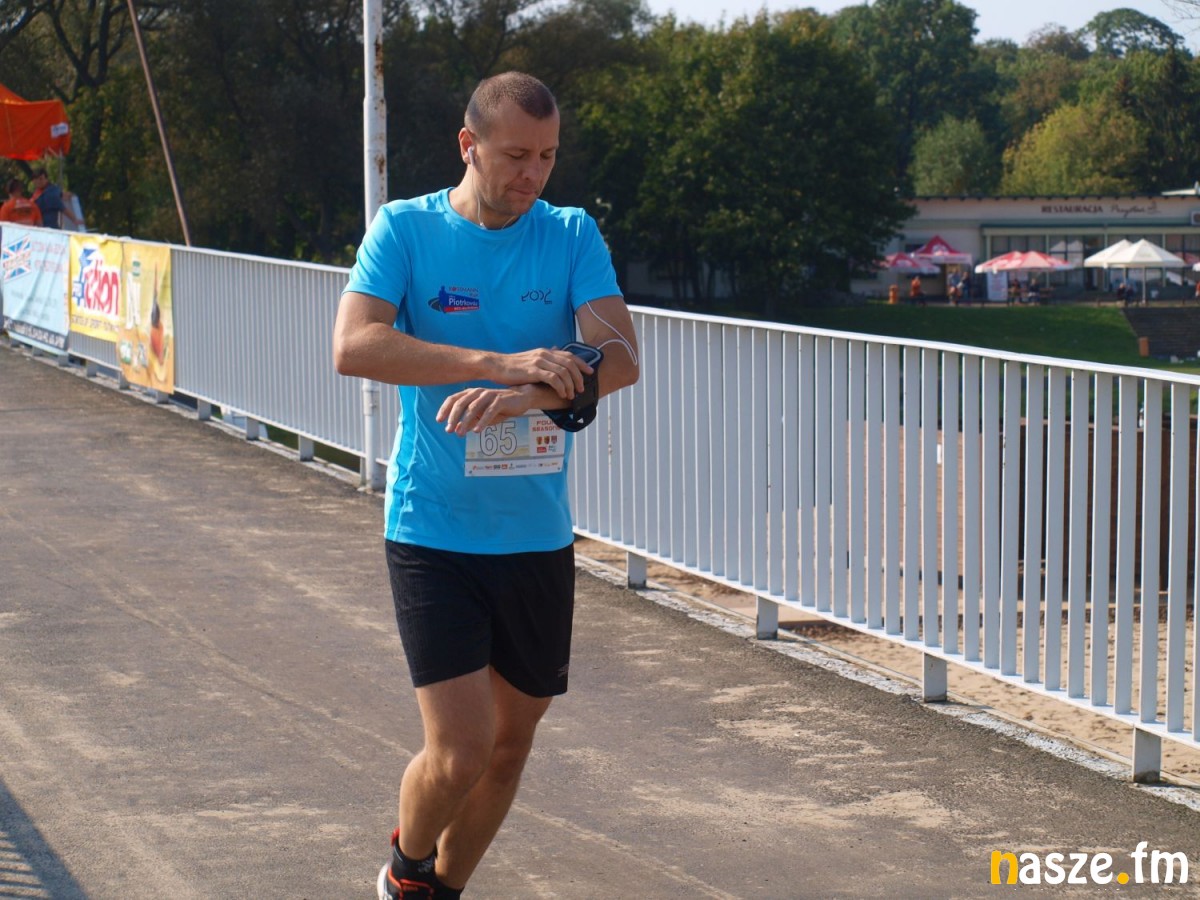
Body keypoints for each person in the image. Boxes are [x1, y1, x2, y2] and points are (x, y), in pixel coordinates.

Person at [332, 72, 639, 900]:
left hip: (535, 536)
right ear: (469, 146)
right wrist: (496, 363)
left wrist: (528, 395)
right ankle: (407, 865)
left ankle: (437, 892)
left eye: (547, 157)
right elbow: (354, 345)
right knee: (460, 750)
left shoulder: (570, 233)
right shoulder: (406, 228)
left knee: (508, 749)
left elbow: (621, 358)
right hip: (433, 526)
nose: (532, 175)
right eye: (515, 156)